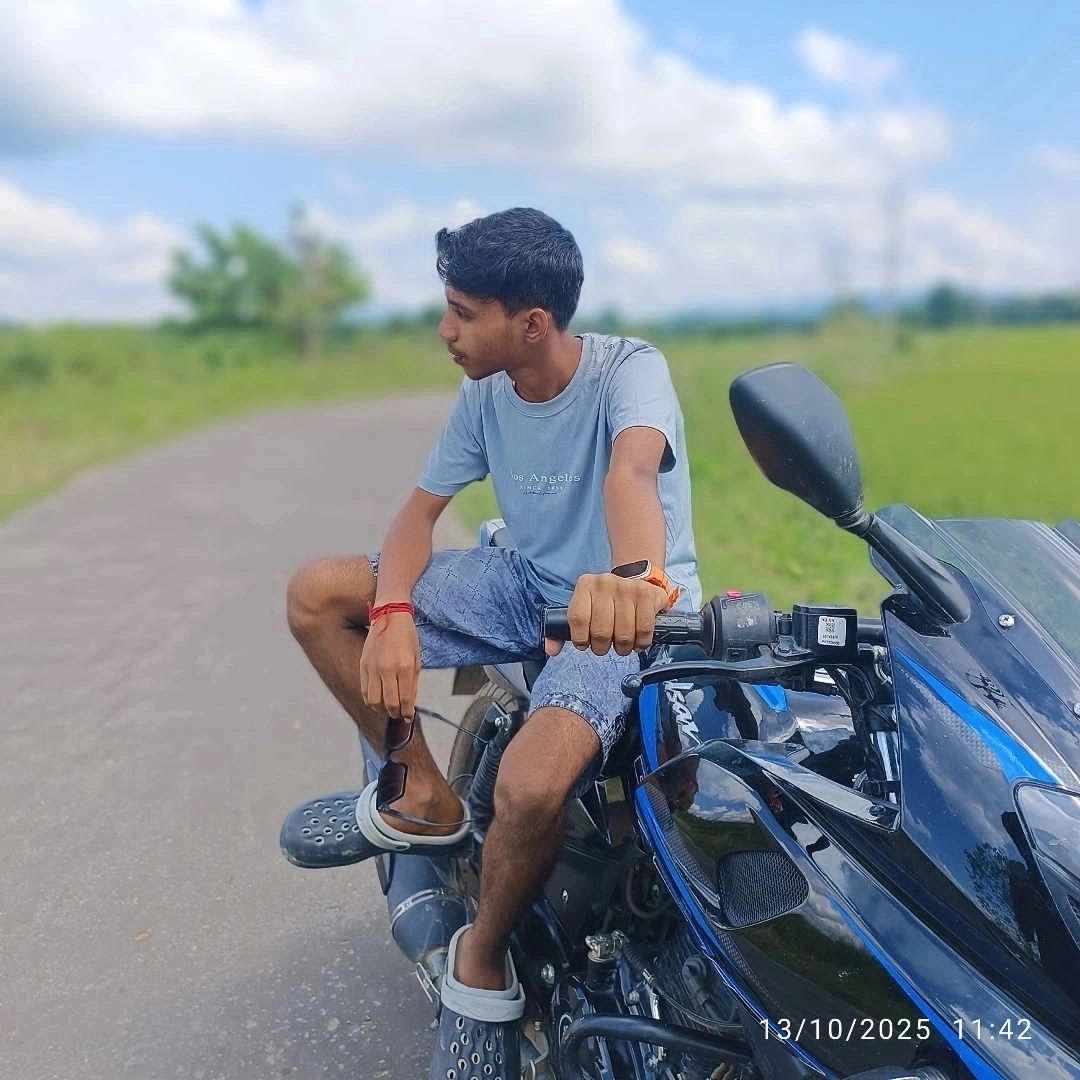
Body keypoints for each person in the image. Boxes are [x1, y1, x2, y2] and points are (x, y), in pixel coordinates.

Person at [281, 207, 700, 1079]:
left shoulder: (629, 371)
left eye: (463, 313)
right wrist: (392, 613)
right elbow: (416, 515)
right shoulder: (485, 393)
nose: (446, 330)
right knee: (318, 596)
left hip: (622, 614)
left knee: (531, 783)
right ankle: (423, 794)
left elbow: (631, 472)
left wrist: (632, 581)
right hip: (522, 585)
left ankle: (481, 956)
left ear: (532, 323)